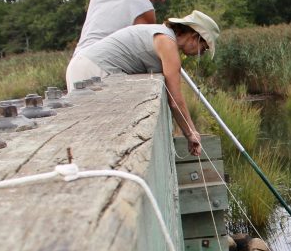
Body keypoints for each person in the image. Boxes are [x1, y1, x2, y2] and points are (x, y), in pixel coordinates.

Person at [71, 11, 220, 157]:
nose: (201, 53)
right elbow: (175, 100)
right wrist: (191, 133)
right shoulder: (167, 42)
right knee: (99, 136)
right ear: (195, 37)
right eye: (204, 48)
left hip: (85, 65)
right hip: (93, 71)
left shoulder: (161, 34)